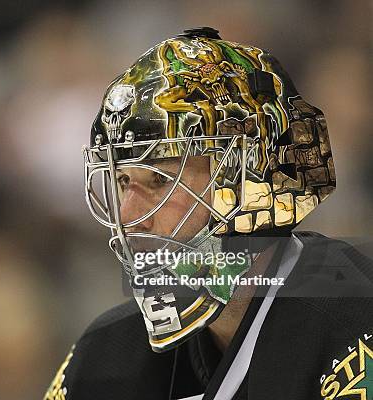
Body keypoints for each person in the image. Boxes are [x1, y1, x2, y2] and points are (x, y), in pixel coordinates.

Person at [45, 27, 373, 400]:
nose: (129, 215)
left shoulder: (356, 332)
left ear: (250, 179)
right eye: (122, 181)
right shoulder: (105, 354)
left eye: (158, 178)